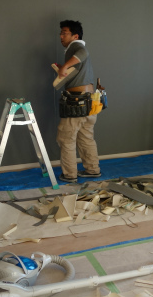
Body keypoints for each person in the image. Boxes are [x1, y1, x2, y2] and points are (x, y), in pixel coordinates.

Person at [55, 20, 101, 183]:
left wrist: (64, 67)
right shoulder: (73, 50)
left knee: (66, 138)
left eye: (64, 33)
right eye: (60, 33)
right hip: (89, 100)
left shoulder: (76, 46)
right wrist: (64, 68)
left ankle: (69, 174)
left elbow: (83, 53)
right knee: (86, 137)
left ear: (75, 36)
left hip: (76, 100)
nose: (61, 36)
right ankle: (92, 170)